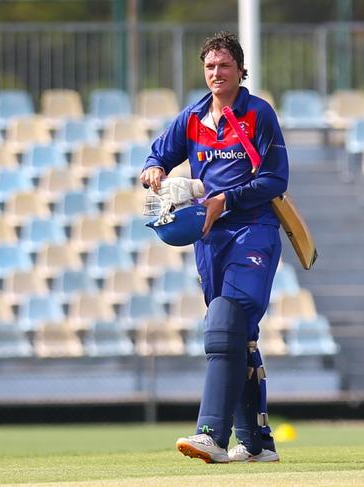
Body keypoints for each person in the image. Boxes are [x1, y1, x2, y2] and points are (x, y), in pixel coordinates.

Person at [140, 31, 288, 463]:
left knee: (226, 321)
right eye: (209, 67)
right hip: (209, 236)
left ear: (241, 70)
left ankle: (212, 435)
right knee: (238, 337)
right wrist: (153, 169)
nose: (216, 74)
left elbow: (277, 180)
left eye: (224, 66)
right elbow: (158, 155)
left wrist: (228, 199)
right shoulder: (193, 117)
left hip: (254, 227)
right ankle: (257, 443)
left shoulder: (259, 114)